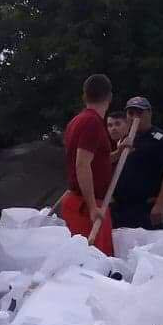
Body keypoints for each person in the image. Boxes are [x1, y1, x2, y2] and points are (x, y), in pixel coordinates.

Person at [60, 74, 116, 256]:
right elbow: (82, 164)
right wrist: (93, 207)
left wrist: (120, 152)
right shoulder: (92, 122)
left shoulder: (77, 121)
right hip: (87, 207)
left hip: (82, 202)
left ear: (85, 96)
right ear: (109, 97)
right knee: (94, 267)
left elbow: (97, 161)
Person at [110, 96, 163, 230]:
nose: (135, 116)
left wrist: (160, 203)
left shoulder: (161, 139)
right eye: (131, 113)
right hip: (122, 208)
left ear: (149, 113)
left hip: (147, 208)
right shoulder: (125, 138)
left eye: (139, 112)